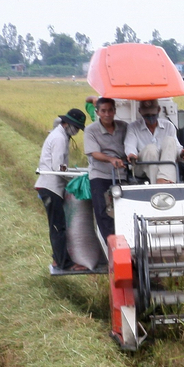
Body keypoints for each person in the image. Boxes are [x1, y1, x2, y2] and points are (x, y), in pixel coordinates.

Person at [34, 108, 87, 271]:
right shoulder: (59, 138)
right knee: (58, 227)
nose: (77, 131)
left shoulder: (61, 135)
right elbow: (58, 167)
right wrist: (73, 177)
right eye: (76, 127)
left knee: (57, 225)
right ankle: (65, 263)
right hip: (50, 187)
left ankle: (58, 259)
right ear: (68, 124)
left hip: (50, 186)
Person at [84, 97, 127, 245]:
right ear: (97, 112)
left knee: (124, 210)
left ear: (115, 111)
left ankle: (127, 243)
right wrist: (111, 159)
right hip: (100, 175)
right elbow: (94, 153)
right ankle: (112, 245)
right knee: (103, 212)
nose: (107, 114)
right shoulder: (91, 130)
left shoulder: (124, 127)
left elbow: (131, 146)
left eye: (110, 110)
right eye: (103, 111)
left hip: (121, 175)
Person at [125, 99, 184, 184]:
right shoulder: (133, 127)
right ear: (140, 112)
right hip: (142, 166)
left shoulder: (169, 126)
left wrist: (183, 153)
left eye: (153, 114)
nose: (150, 117)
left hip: (164, 163)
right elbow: (130, 146)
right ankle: (162, 183)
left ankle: (162, 180)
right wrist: (131, 154)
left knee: (170, 140)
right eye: (146, 115)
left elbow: (176, 148)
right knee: (151, 148)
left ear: (159, 110)